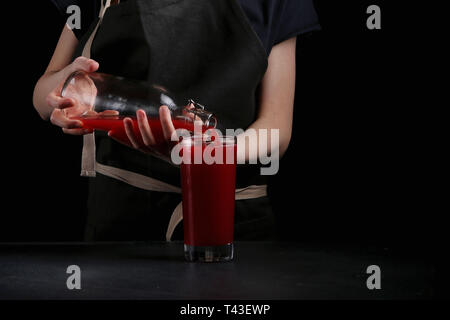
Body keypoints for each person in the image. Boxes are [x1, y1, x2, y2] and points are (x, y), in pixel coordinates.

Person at [33, 0, 320, 241]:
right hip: (120, 227)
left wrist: (207, 153)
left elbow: (277, 130)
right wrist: (67, 89)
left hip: (227, 223)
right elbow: (43, 93)